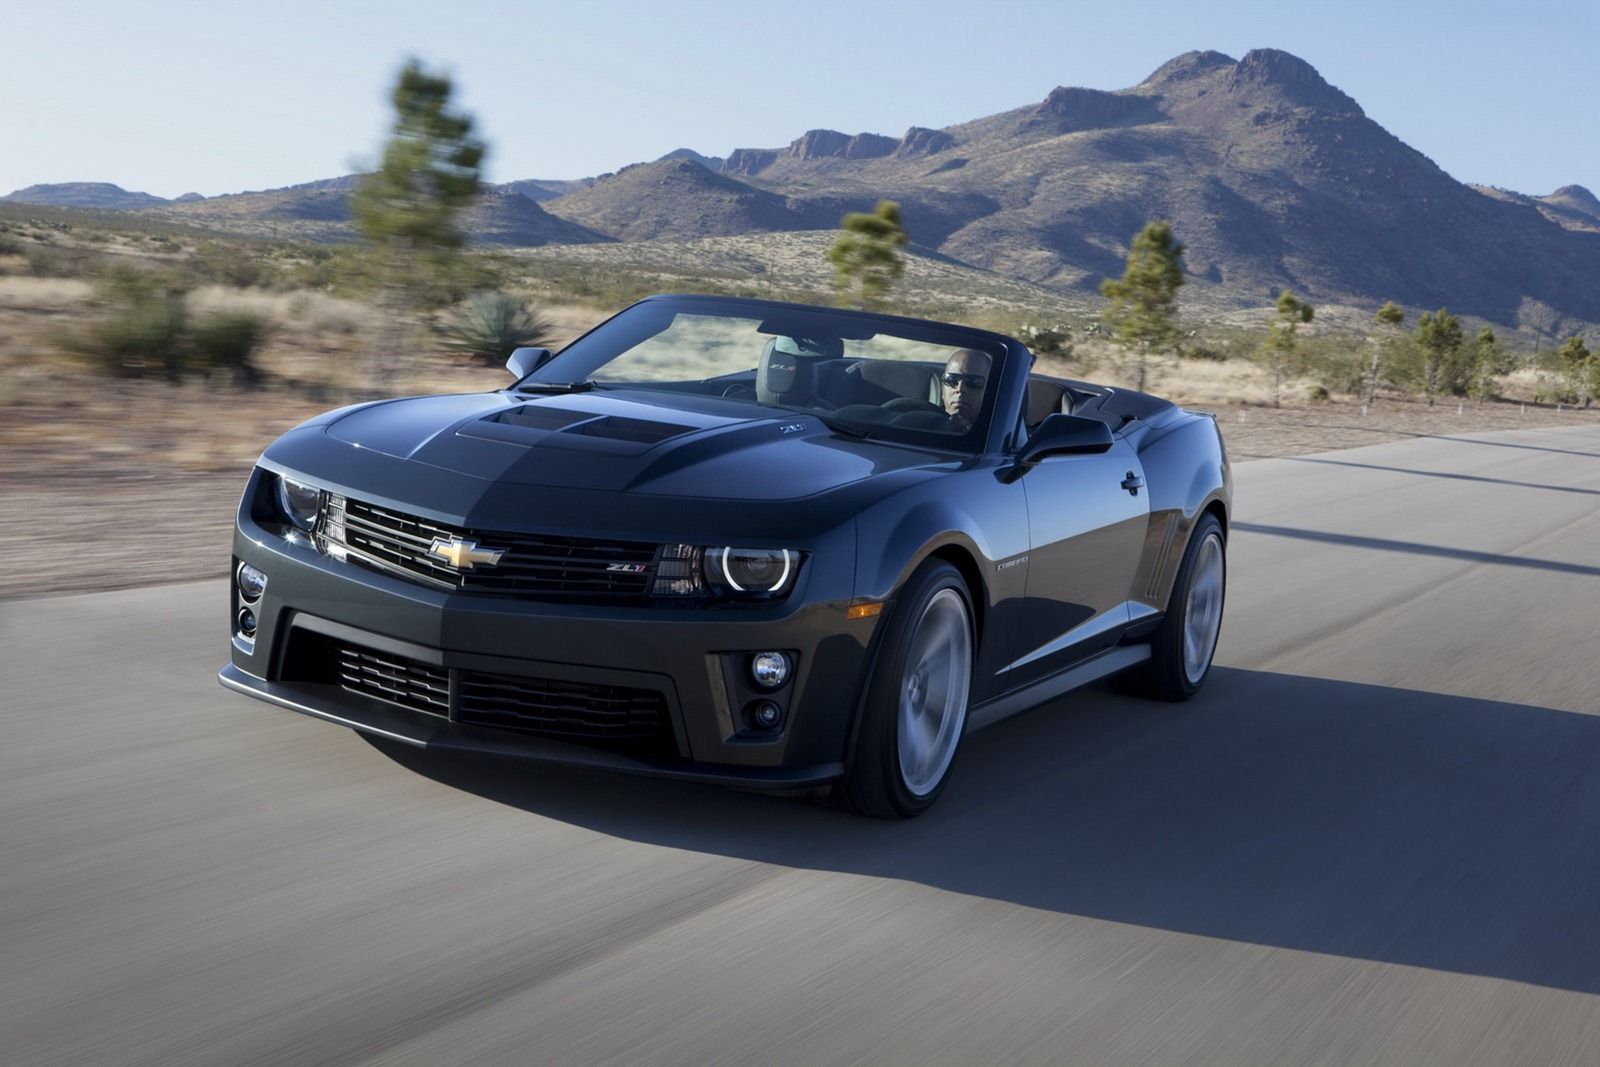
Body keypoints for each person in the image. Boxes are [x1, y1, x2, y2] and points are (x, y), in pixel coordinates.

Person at [941, 348, 991, 432]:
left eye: (973, 382)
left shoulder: (996, 429)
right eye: (952, 379)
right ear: (942, 388)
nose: (960, 389)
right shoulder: (925, 421)